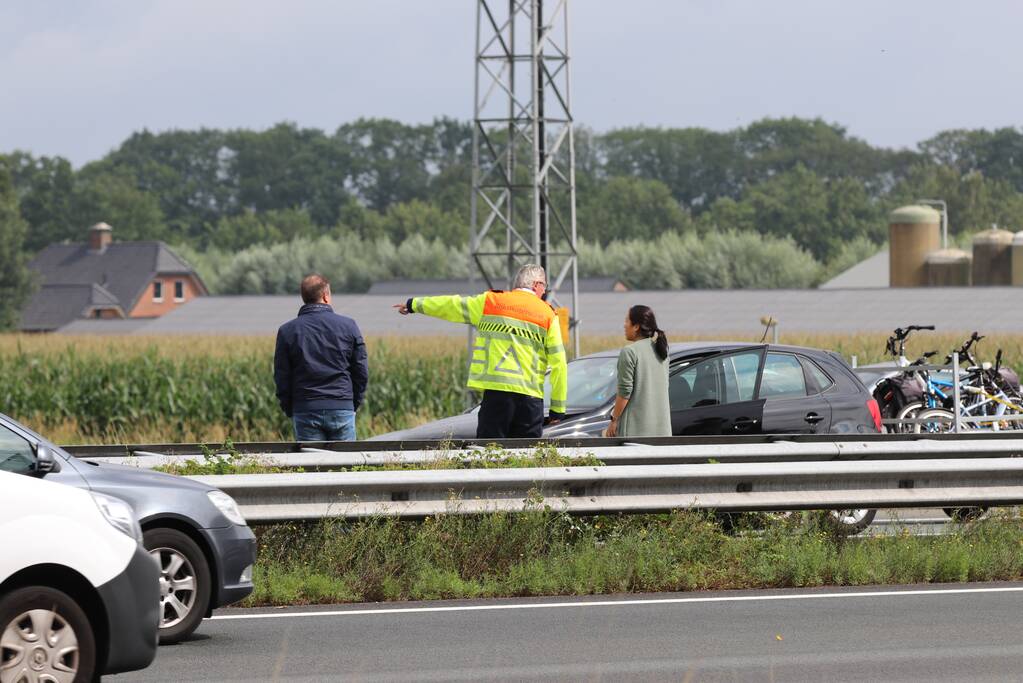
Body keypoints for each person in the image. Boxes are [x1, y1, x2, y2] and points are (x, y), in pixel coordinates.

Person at [394, 264, 567, 439]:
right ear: (536, 285)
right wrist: (557, 409)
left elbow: (451, 305)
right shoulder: (548, 315)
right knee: (527, 453)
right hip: (530, 400)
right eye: (544, 286)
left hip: (496, 395)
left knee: (489, 451)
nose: (544, 292)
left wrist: (414, 304)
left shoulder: (490, 302)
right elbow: (559, 365)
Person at [274, 274, 368, 441]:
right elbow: (361, 371)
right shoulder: (349, 326)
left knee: (312, 458)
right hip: (342, 405)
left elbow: (282, 376)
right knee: (345, 458)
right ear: (325, 296)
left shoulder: (287, 331)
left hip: (305, 408)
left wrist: (291, 408)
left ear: (304, 297)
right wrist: (352, 404)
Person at [605, 305, 671, 438]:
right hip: (662, 432)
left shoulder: (630, 352)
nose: (624, 325)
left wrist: (614, 419)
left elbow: (624, 392)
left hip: (635, 433)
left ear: (636, 326)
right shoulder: (662, 352)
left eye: (627, 321)